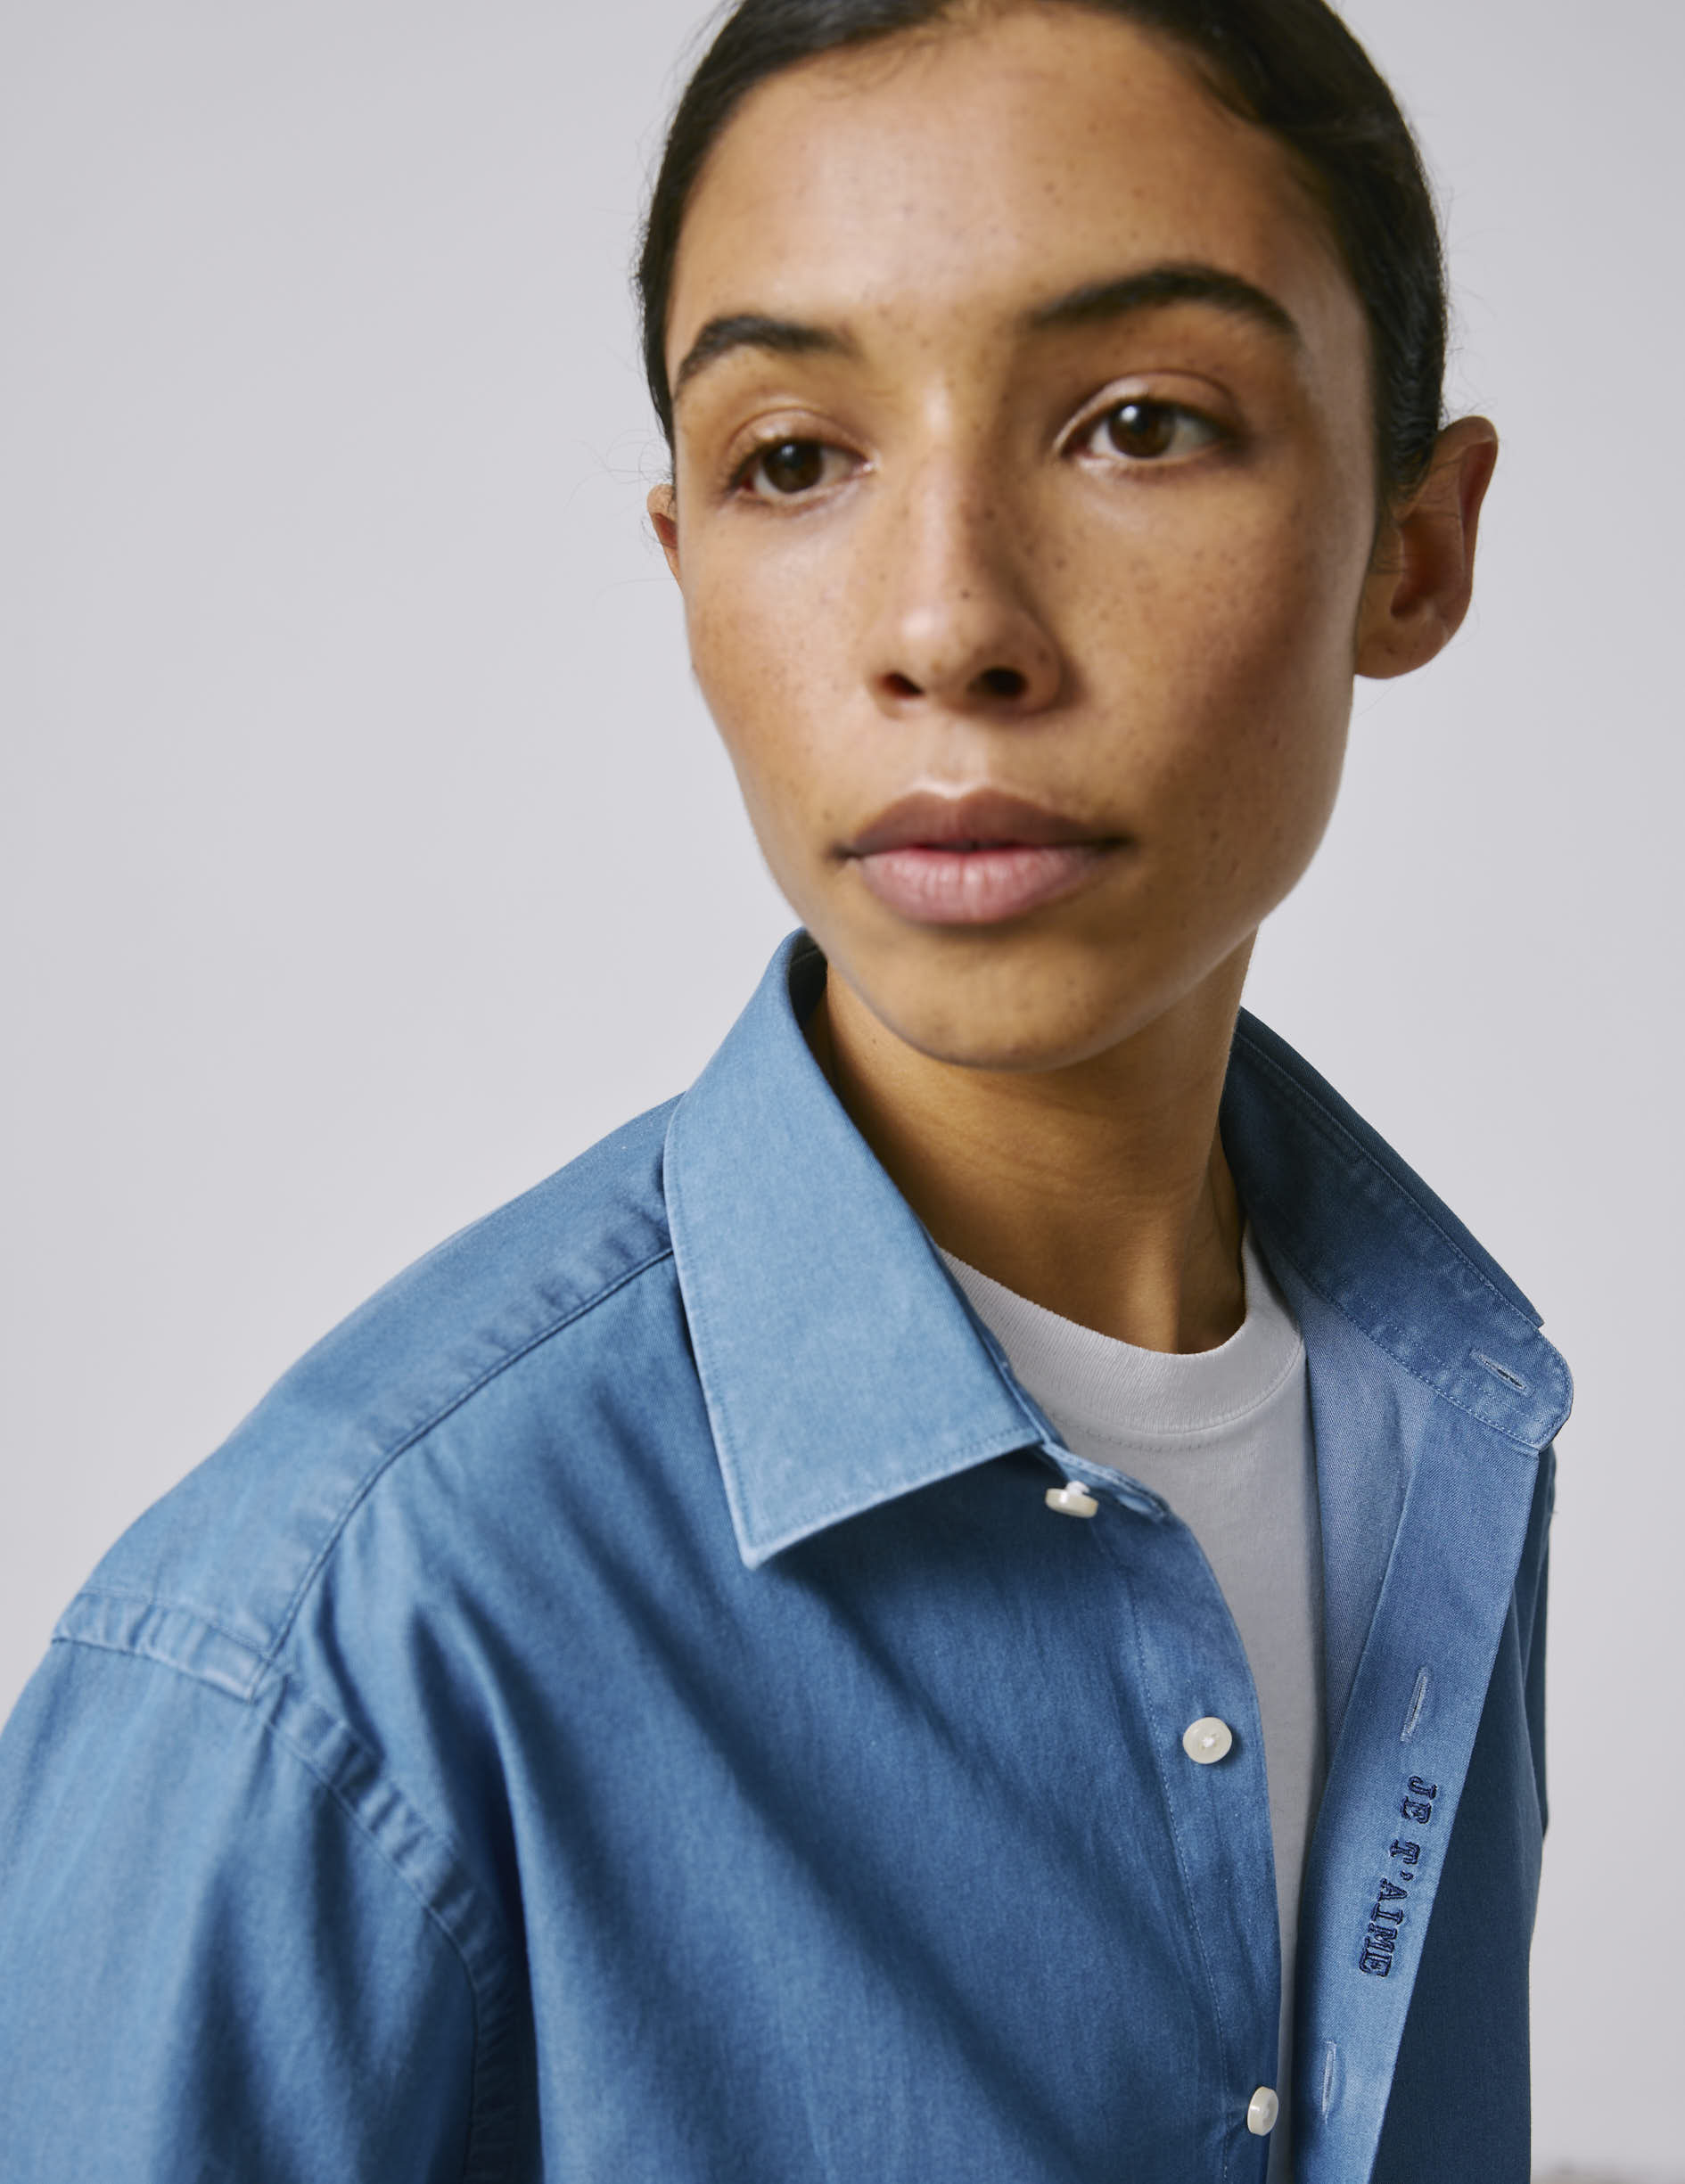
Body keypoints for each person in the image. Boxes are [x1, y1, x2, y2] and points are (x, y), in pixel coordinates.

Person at [0, 0, 1569, 2177]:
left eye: (1134, 422)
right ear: (682, 569)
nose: (946, 626)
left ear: (1417, 546)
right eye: (795, 459)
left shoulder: (1445, 1426)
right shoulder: (326, 1666)